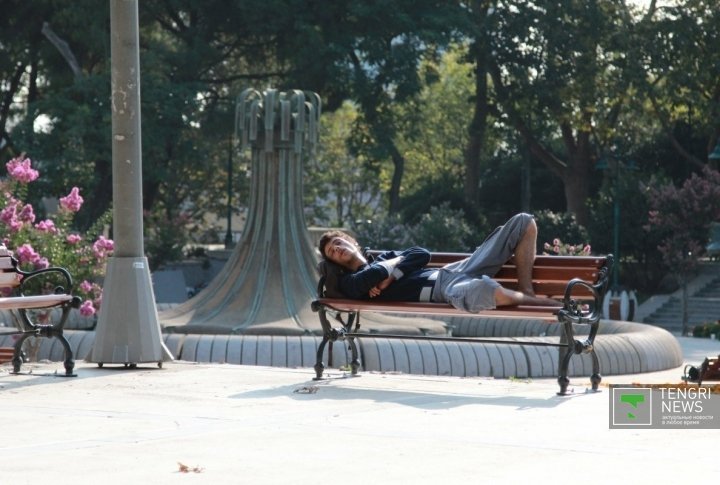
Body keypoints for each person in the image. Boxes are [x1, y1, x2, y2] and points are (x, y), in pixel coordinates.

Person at [318, 212, 563, 312]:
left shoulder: (384, 258)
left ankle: (527, 290)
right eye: (331, 251)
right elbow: (369, 277)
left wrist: (391, 276)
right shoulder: (350, 282)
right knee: (487, 289)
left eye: (338, 242)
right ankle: (547, 305)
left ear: (351, 242)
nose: (337, 249)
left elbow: (421, 254)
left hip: (453, 271)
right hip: (444, 291)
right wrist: (392, 268)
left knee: (523, 221)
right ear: (333, 262)